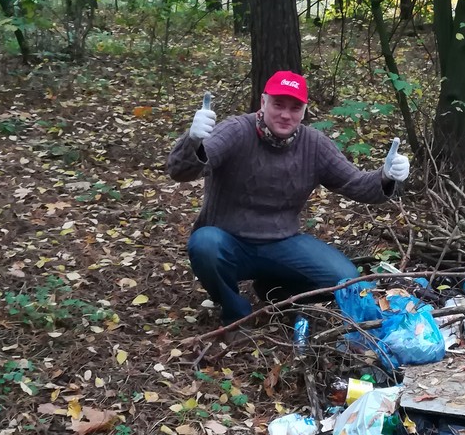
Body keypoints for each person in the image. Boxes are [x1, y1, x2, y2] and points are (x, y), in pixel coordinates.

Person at [167, 70, 410, 327]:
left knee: (344, 278)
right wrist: (192, 141)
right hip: (228, 242)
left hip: (282, 243)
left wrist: (386, 176)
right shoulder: (236, 131)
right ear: (263, 102)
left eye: (295, 107)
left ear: (304, 111)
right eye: (278, 104)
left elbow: (355, 184)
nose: (286, 114)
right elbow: (181, 171)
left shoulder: (314, 144)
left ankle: (274, 289)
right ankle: (235, 314)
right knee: (204, 243)